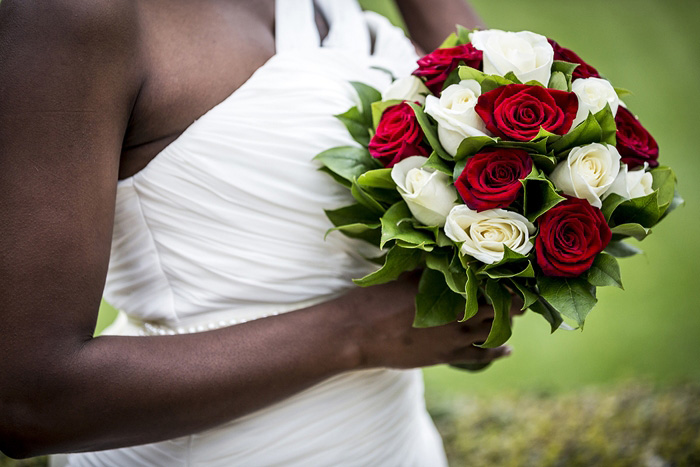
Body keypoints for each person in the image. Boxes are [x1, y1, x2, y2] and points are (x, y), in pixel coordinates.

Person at [0, 0, 517, 464]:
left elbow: (512, 135)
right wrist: (361, 334)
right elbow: (30, 399)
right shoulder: (73, 16)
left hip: (396, 444)